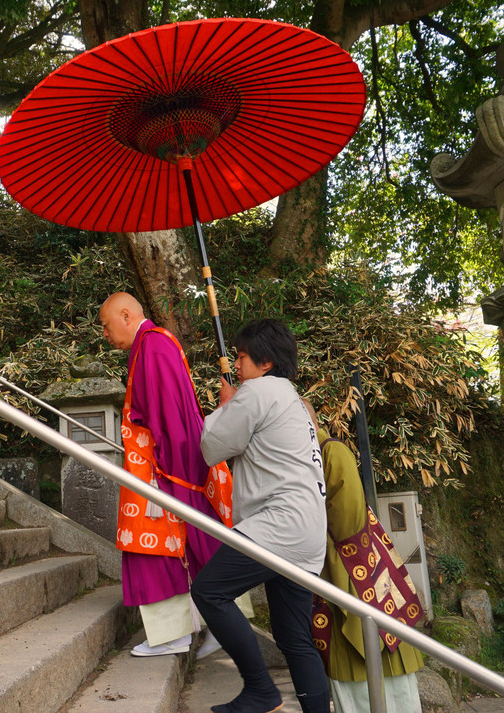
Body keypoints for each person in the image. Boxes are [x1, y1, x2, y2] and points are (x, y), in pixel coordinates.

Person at [192, 318, 330, 713]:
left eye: (241, 356)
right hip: (306, 530)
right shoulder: (291, 398)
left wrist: (227, 406)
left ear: (265, 361)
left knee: (209, 591)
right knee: (294, 639)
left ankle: (260, 689)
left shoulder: (258, 391)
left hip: (278, 524)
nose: (236, 365)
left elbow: (211, 447)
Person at [99, 291, 237, 658]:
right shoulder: (150, 345)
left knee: (154, 548)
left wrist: (170, 475)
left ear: (126, 316)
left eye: (106, 324)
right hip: (163, 465)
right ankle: (214, 625)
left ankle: (177, 634)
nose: (105, 334)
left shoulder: (154, 346)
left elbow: (170, 417)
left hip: (165, 467)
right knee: (186, 544)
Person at [302, 399, 425, 713]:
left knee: (379, 678)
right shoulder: (308, 457)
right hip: (336, 578)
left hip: (353, 578)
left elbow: (349, 528)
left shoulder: (331, 451)